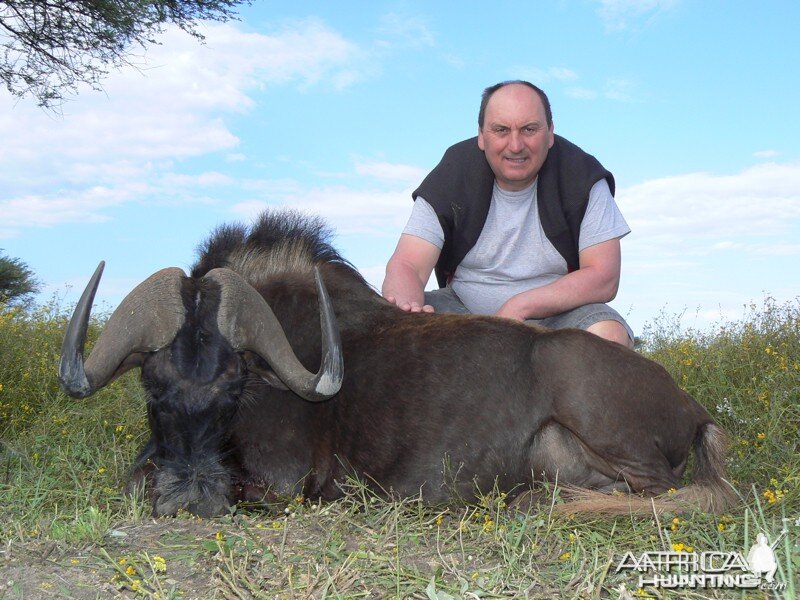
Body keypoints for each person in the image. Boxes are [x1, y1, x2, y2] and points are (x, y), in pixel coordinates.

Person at [381, 80, 634, 347]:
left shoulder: (583, 176)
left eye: (529, 129)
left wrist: (520, 306)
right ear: (481, 135)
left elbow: (604, 278)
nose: (515, 145)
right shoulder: (451, 174)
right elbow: (407, 264)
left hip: (557, 317)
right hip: (460, 311)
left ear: (550, 133)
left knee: (608, 334)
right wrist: (407, 309)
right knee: (386, 330)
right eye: (501, 130)